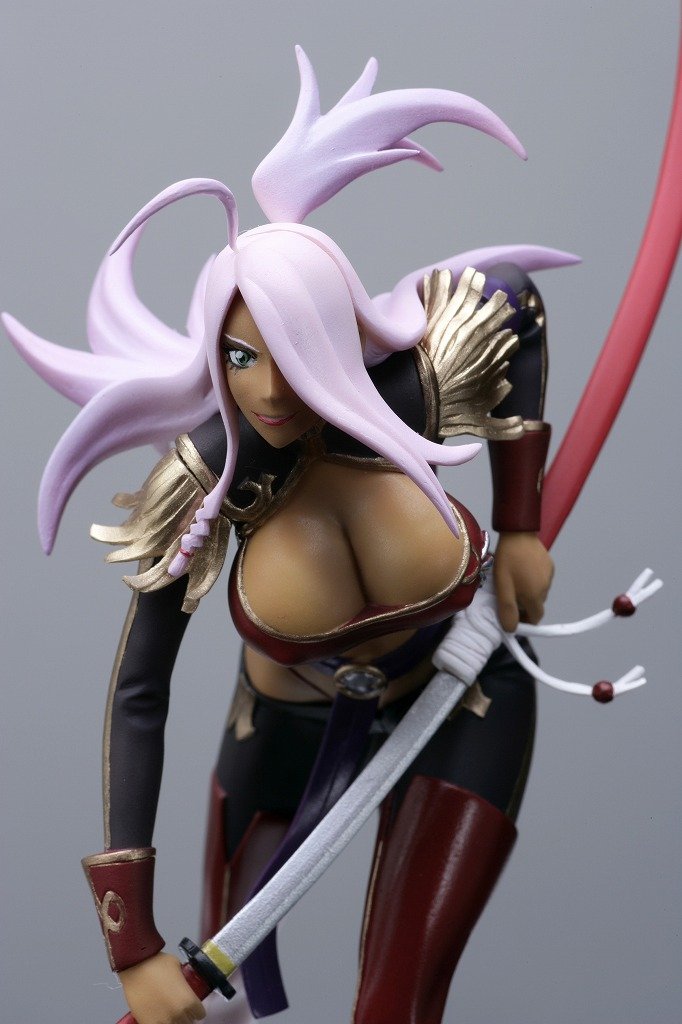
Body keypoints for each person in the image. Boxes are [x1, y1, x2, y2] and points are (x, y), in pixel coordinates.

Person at [3, 49, 573, 1024]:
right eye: (239, 356)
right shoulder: (213, 475)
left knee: (398, 1005)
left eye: (292, 350)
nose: (267, 390)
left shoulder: (414, 389)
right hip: (280, 734)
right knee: (220, 1009)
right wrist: (131, 946)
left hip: (463, 693)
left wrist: (521, 526)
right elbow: (139, 691)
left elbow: (512, 299)